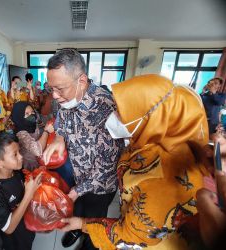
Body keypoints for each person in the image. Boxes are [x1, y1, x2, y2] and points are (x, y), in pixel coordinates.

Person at [58, 74, 210, 250]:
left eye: (121, 112)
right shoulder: (151, 140)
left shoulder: (165, 178)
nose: (112, 115)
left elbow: (130, 236)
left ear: (152, 118)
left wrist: (82, 224)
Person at [43, 49, 124, 249]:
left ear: (81, 81)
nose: (55, 96)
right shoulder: (67, 97)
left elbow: (106, 168)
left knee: (94, 223)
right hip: (78, 173)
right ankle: (76, 230)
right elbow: (62, 116)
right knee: (78, 210)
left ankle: (88, 242)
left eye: (59, 89)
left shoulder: (105, 108)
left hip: (100, 186)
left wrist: (75, 191)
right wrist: (59, 137)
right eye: (51, 88)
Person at [0, 131, 42, 250]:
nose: (21, 156)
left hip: (27, 232)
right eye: (15, 154)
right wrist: (28, 195)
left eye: (19, 152)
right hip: (15, 243)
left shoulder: (17, 173)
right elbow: (8, 228)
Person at [11, 101, 54, 170]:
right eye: (27, 114)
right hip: (31, 167)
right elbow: (37, 151)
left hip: (40, 160)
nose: (31, 116)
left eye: (32, 112)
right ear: (19, 116)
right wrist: (46, 131)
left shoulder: (32, 125)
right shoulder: (21, 134)